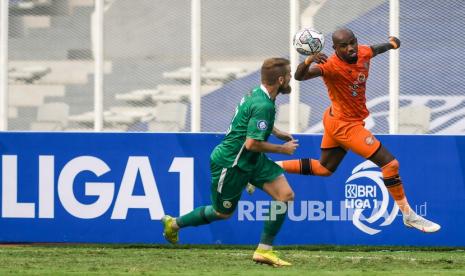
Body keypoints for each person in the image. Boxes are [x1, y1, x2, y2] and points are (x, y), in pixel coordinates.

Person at [278, 27, 440, 233]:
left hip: (335, 119)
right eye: (344, 46)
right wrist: (309, 60)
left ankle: (272, 166)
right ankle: (409, 215)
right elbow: (300, 77)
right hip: (346, 126)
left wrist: (391, 44)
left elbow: (373, 49)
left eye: (352, 42)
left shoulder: (362, 51)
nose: (351, 48)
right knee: (390, 164)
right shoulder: (329, 66)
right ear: (335, 49)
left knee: (325, 169)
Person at [161, 57, 299, 267]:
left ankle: (264, 251)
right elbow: (252, 143)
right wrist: (283, 149)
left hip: (252, 160)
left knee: (285, 195)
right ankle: (174, 224)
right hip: (231, 163)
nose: (291, 77)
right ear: (280, 79)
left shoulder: (257, 94)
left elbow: (250, 123)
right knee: (222, 213)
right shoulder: (264, 105)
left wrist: (277, 132)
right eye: (289, 74)